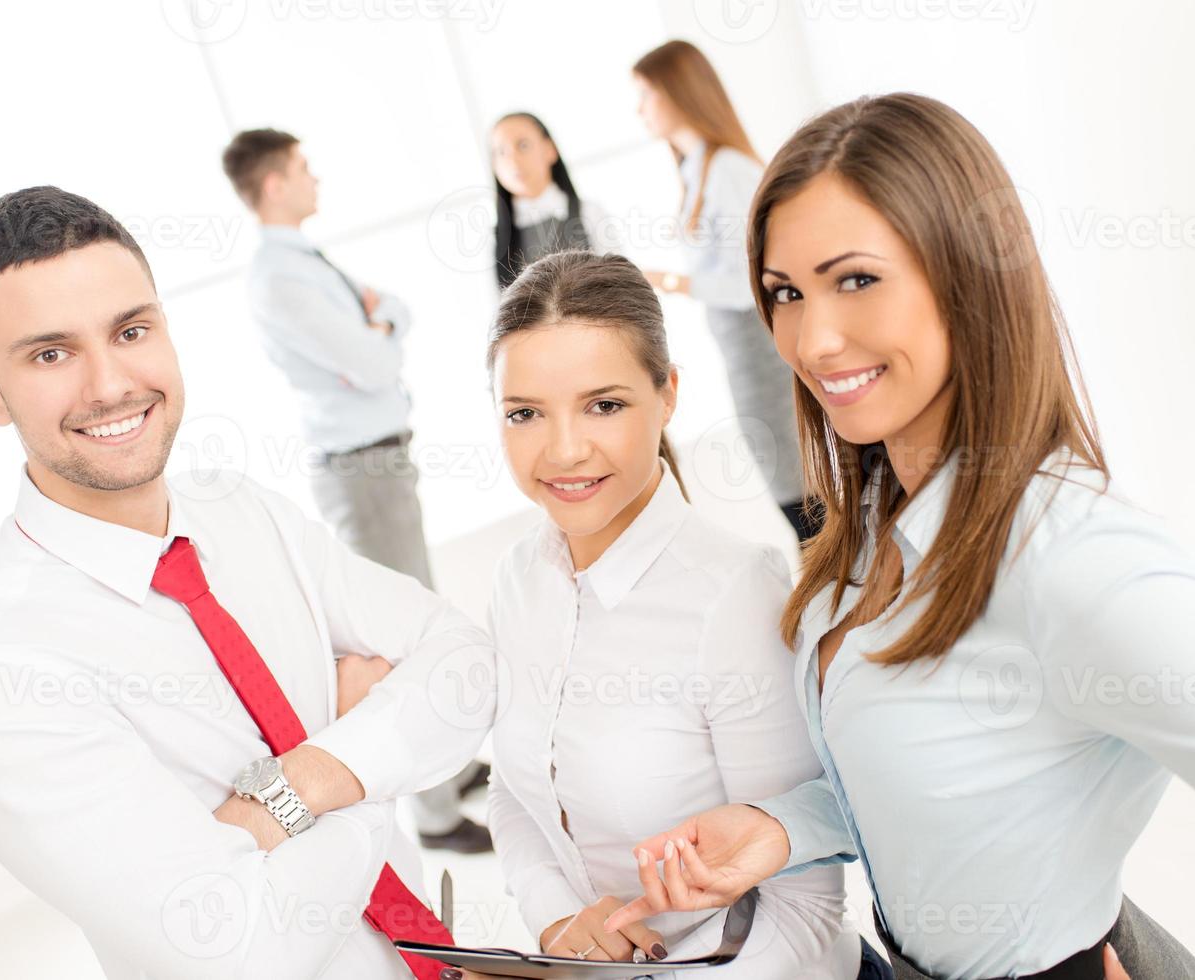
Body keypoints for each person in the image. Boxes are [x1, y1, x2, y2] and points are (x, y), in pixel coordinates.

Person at [602, 94, 1195, 980]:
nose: (813, 337)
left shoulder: (1077, 562)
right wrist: (782, 828)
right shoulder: (875, 525)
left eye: (856, 279)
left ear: (969, 274)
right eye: (785, 292)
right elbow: (951, 771)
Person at [0, 186, 497, 979]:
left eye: (131, 330)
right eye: (52, 353)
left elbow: (463, 665)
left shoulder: (242, 510)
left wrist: (303, 783)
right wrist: (372, 763)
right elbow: (229, 950)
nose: (110, 384)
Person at [467, 250, 887, 980]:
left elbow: (807, 914)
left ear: (667, 395)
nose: (564, 449)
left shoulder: (735, 594)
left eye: (604, 405)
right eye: (525, 413)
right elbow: (514, 786)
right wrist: (560, 924)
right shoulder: (516, 581)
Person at [222, 128, 491, 853]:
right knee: (404, 638)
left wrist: (378, 325)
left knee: (419, 615)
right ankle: (432, 813)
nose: (318, 179)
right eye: (304, 168)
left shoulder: (303, 262)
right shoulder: (278, 279)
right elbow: (371, 362)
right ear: (274, 183)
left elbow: (394, 311)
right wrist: (375, 331)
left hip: (380, 460)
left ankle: (446, 774)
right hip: (360, 465)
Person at [632, 40, 818, 544]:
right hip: (741, 350)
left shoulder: (731, 170)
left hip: (762, 349)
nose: (639, 109)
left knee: (798, 489)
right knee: (786, 480)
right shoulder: (697, 169)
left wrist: (671, 282)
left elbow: (751, 277)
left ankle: (840, 595)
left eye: (646, 94)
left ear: (678, 92)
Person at [490, 112, 619, 289]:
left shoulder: (588, 212)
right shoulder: (493, 237)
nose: (513, 160)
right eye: (501, 152)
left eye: (523, 145)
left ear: (550, 150)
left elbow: (619, 284)